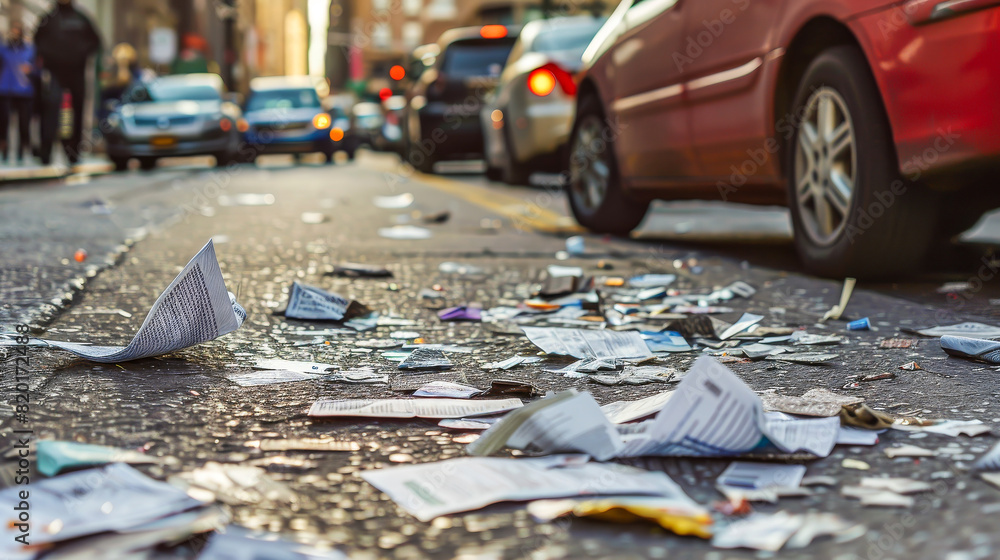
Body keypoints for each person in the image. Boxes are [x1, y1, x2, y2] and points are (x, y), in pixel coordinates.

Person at [33, 0, 101, 166]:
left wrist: (81, 55)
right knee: (50, 108)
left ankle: (73, 152)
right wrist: (50, 58)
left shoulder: (81, 17)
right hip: (54, 72)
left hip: (77, 72)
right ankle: (46, 151)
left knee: (76, 111)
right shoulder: (48, 18)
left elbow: (95, 42)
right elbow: (37, 42)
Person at [0, 22, 36, 165]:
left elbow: (37, 69)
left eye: (17, 30)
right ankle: (5, 151)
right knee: (3, 123)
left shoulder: (30, 50)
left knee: (24, 123)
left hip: (24, 91)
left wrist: (31, 70)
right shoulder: (3, 50)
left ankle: (22, 150)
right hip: (5, 90)